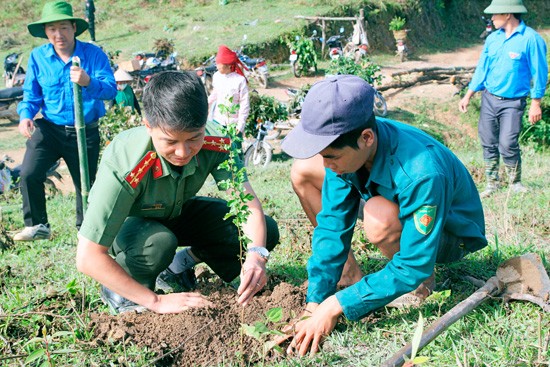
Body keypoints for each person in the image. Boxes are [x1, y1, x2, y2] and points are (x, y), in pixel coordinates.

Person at [278, 75, 487, 356]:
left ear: (366, 138)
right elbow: (331, 227)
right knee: (309, 174)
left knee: (378, 219)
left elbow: (414, 264)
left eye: (331, 156)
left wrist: (338, 304)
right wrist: (316, 301)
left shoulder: (421, 172)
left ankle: (422, 289)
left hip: (451, 234)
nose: (326, 165)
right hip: (398, 203)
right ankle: (356, 279)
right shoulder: (346, 156)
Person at [76, 71, 279, 314]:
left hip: (176, 211)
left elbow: (246, 205)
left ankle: (177, 267)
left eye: (194, 138)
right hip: (130, 225)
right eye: (170, 142)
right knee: (158, 243)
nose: (183, 152)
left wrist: (256, 255)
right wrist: (156, 302)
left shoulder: (217, 142)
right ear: (148, 126)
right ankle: (121, 290)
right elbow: (88, 256)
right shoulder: (125, 161)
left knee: (263, 230)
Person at [14, 1, 116, 241]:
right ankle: (38, 225)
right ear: (46, 32)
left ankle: (86, 231)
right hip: (49, 128)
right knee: (29, 173)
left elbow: (111, 90)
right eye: (52, 29)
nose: (58, 34)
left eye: (63, 27)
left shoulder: (93, 54)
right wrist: (25, 115)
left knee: (85, 185)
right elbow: (31, 95)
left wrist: (88, 81)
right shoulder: (38, 57)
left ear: (73, 27)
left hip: (85, 130)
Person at [458, 0, 547, 198]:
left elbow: (540, 72)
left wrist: (536, 103)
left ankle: (515, 183)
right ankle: (492, 184)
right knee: (488, 141)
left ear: (508, 14)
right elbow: (482, 68)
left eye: (495, 14)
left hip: (513, 102)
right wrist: (468, 94)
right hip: (489, 98)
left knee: (507, 142)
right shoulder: (493, 39)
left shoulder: (531, 39)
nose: (492, 18)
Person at [208, 45, 250, 140]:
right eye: (217, 63)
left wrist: (240, 125)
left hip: (234, 124)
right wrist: (204, 103)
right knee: (219, 150)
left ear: (228, 65)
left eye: (219, 64)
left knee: (234, 151)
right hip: (217, 121)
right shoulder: (217, 76)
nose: (217, 66)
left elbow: (244, 104)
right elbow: (215, 94)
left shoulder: (239, 80)